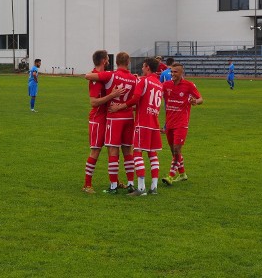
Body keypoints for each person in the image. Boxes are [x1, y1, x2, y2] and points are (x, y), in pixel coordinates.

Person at [85, 52, 138, 194]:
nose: (109, 60)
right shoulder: (97, 78)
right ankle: (87, 184)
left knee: (114, 149)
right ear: (104, 60)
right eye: (107, 58)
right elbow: (93, 102)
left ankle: (115, 182)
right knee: (96, 150)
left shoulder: (108, 75)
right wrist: (112, 96)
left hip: (111, 117)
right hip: (98, 118)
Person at [109, 57, 163, 196]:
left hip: (143, 123)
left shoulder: (144, 81)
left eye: (143, 66)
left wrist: (120, 106)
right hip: (154, 123)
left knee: (137, 153)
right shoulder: (159, 83)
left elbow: (135, 98)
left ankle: (140, 189)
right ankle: (154, 187)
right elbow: (146, 104)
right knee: (152, 154)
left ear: (147, 67)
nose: (142, 69)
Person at [160, 63, 203, 186]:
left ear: (181, 73)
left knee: (177, 149)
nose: (172, 74)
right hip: (169, 123)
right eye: (172, 72)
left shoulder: (188, 85)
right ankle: (183, 174)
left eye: (175, 72)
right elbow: (155, 90)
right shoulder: (166, 85)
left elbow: (201, 99)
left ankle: (170, 176)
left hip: (182, 123)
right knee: (174, 152)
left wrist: (195, 101)